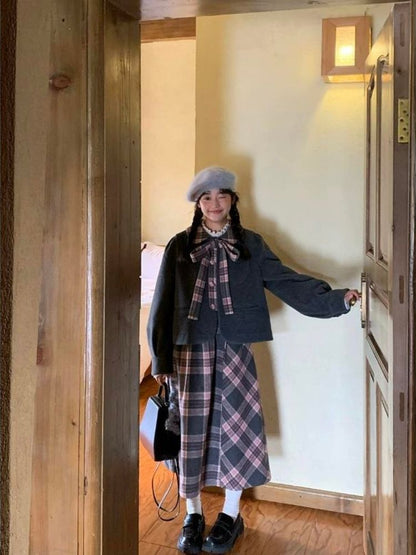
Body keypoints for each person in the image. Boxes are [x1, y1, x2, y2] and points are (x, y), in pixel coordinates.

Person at [147, 166, 359, 554]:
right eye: (206, 197)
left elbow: (286, 281)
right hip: (187, 352)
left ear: (233, 200)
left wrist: (335, 300)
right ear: (198, 204)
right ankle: (193, 514)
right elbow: (162, 302)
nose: (214, 203)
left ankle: (230, 514)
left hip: (235, 350)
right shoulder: (180, 246)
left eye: (222, 195)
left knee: (237, 431)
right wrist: (160, 358)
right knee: (190, 433)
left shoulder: (251, 245)